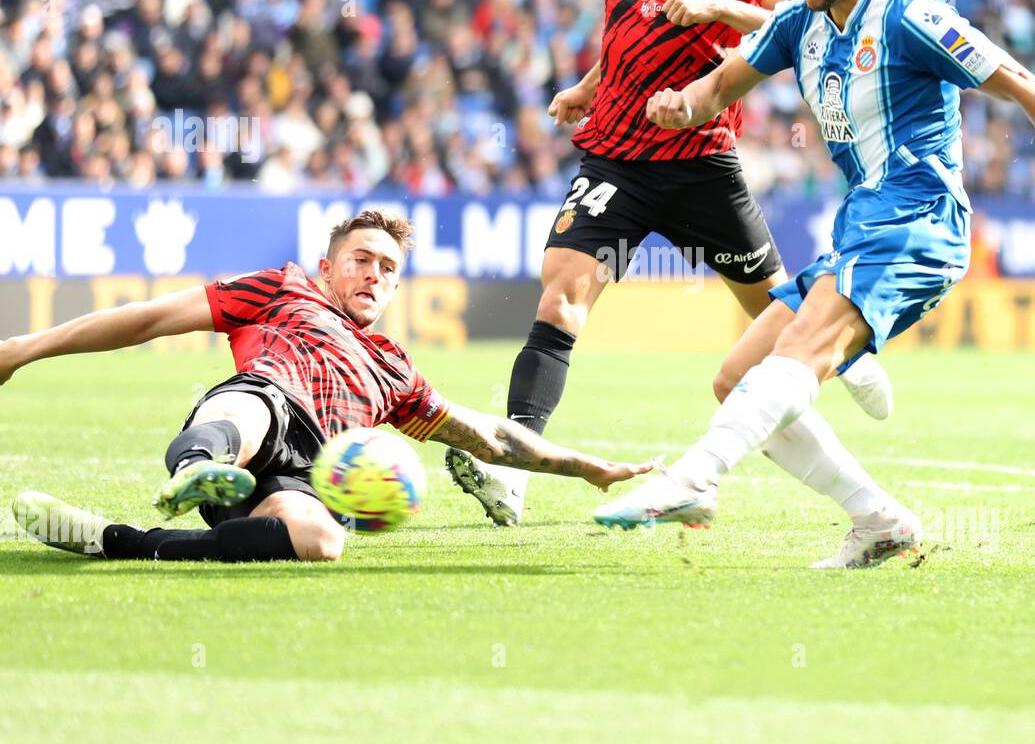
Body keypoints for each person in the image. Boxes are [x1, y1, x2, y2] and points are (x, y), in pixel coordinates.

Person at [594, 0, 1035, 568]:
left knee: (798, 353)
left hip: (919, 217)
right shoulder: (798, 22)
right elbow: (722, 84)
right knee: (736, 376)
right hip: (861, 223)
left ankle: (692, 477)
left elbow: (1023, 85)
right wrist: (685, 101)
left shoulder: (911, 16)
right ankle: (878, 517)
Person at [445, 0, 819, 527]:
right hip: (614, 157)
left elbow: (791, 17)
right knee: (559, 297)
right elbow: (623, 29)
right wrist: (587, 87)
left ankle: (760, 446)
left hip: (702, 160)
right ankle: (513, 466)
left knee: (783, 319)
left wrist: (714, 8)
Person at [2, 211, 651, 563]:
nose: (374, 273)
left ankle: (117, 541)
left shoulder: (395, 371)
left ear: (397, 286)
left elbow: (487, 434)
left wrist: (585, 467)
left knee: (323, 541)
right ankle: (199, 465)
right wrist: (22, 349)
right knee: (254, 404)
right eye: (361, 259)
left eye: (388, 267)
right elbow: (146, 318)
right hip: (265, 401)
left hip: (310, 471)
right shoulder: (284, 287)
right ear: (327, 267)